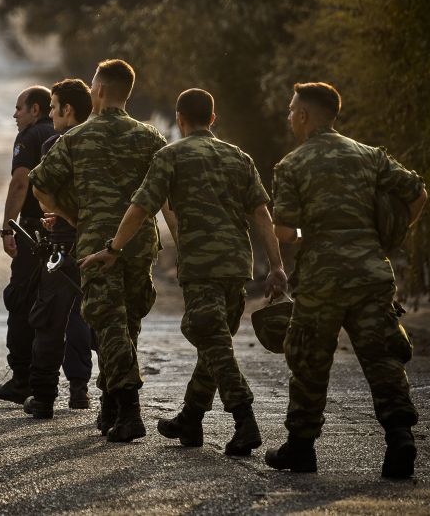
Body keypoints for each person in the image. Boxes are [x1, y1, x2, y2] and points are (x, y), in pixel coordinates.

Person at [81, 88, 287, 455]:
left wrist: (113, 249)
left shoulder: (170, 156)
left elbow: (141, 207)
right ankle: (190, 418)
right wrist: (276, 265)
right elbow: (261, 215)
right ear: (212, 118)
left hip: (202, 265)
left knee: (213, 341)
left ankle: (245, 419)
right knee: (214, 339)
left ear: (179, 119)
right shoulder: (238, 157)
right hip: (237, 266)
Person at [264, 82, 427, 478]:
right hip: (371, 272)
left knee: (309, 360)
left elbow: (284, 231)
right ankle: (400, 439)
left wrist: (311, 234)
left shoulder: (292, 165)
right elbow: (418, 193)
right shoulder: (369, 156)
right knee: (383, 357)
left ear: (304, 115)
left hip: (322, 278)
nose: (288, 117)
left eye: (291, 110)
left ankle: (301, 449)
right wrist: (387, 236)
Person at [30, 59, 173, 443]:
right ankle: (111, 403)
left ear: (99, 91)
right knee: (126, 326)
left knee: (109, 325)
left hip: (96, 243)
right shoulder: (151, 138)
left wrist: (72, 216)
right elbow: (166, 197)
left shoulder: (75, 139)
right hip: (141, 243)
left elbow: (40, 184)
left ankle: (129, 411)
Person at [22, 78, 96, 419]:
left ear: (68, 109)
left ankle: (43, 397)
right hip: (104, 242)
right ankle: (95, 393)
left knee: (50, 319)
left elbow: (41, 190)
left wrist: (63, 218)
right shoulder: (104, 140)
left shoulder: (55, 143)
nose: (50, 114)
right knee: (101, 318)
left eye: (52, 107)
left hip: (65, 243)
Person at [0, 87, 58, 403]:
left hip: (33, 233)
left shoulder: (29, 138)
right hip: (63, 232)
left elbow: (20, 182)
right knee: (56, 306)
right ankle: (75, 385)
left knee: (21, 301)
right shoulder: (62, 134)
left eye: (19, 108)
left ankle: (22, 378)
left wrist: (6, 228)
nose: (14, 115)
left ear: (36, 109)